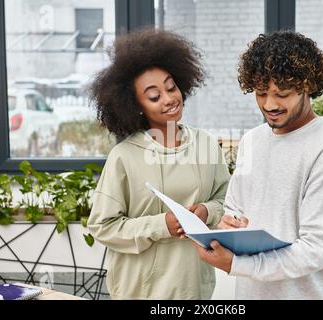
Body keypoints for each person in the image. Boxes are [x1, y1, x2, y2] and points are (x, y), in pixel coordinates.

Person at [194, 30, 323, 299]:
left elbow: (315, 250)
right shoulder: (252, 141)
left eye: (281, 93)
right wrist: (230, 225)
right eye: (261, 93)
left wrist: (238, 264)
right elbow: (234, 207)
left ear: (307, 86)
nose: (269, 104)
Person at [87, 28, 230, 299]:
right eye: (154, 96)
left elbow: (225, 200)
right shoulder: (124, 156)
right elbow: (102, 226)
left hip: (193, 289)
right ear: (136, 105)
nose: (169, 99)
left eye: (171, 87)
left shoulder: (206, 144)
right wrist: (161, 225)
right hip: (141, 291)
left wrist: (206, 211)